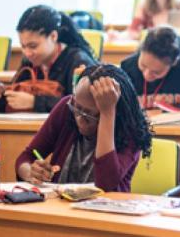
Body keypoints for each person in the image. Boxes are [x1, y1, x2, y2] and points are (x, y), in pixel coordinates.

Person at [14, 64, 151, 192]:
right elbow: (26, 157)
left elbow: (106, 184)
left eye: (89, 115)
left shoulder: (130, 128)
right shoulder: (66, 108)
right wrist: (30, 172)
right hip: (60, 207)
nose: (79, 119)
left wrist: (107, 114)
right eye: (77, 108)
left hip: (106, 212)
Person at [0, 5, 98, 113]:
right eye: (23, 46)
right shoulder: (29, 62)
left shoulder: (78, 61)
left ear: (53, 36)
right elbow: (10, 103)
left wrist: (35, 102)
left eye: (33, 46)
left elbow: (82, 107)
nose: (27, 53)